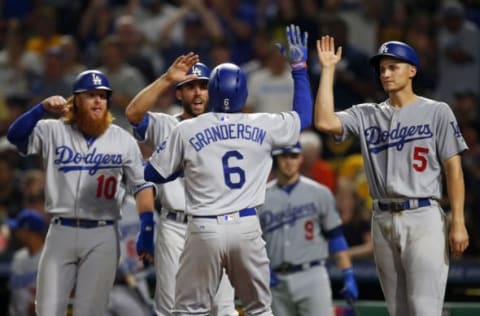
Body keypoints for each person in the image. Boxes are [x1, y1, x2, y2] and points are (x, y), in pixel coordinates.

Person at [143, 24, 312, 315]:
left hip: (203, 227)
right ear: (244, 94)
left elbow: (152, 175)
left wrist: (187, 167)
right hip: (245, 226)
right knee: (258, 309)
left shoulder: (187, 128)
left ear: (212, 91)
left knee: (188, 310)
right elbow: (304, 117)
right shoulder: (263, 123)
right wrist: (298, 68)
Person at [314, 36, 470, 315]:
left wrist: (457, 220)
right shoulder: (367, 113)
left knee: (424, 309)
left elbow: (453, 169)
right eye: (382, 68)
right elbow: (325, 122)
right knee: (397, 311)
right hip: (382, 218)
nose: (385, 73)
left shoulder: (437, 111)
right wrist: (328, 70)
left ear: (412, 70)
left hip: (423, 215)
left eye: (393, 67)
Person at [6, 69, 156, 316]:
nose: (98, 100)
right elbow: (15, 135)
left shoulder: (122, 139)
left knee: (91, 312)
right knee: (47, 310)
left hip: (103, 232)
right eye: (90, 95)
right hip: (60, 230)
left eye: (102, 95)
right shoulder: (53, 130)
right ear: (75, 100)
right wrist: (41, 109)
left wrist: (147, 226)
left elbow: (142, 185)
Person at [125, 57, 237, 315]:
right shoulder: (166, 125)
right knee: (172, 309)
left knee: (222, 308)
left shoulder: (228, 127)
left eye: (203, 86)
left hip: (218, 224)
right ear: (179, 92)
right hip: (175, 226)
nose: (198, 93)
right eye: (190, 86)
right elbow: (133, 114)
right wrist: (166, 78)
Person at [258, 143, 358, 316]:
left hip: (312, 276)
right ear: (276, 160)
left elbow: (335, 236)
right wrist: (260, 270)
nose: (289, 162)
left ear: (301, 158)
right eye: (284, 157)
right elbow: (253, 242)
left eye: (293, 156)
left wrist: (348, 273)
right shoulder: (261, 197)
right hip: (275, 280)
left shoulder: (319, 192)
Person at [7, 209, 47, 316]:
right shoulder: (18, 256)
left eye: (19, 228)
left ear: (28, 232)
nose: (15, 231)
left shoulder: (49, 258)